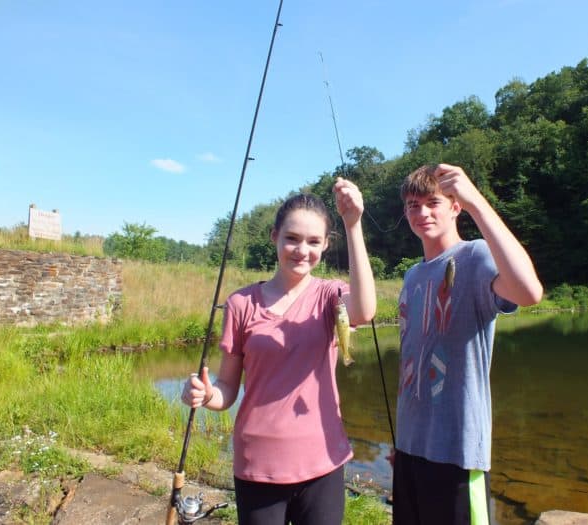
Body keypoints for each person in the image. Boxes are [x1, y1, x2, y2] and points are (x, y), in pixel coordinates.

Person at [181, 178, 376, 525]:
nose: (302, 250)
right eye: (292, 238)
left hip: (323, 459)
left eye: (314, 241)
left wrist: (354, 224)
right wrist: (206, 394)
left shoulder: (330, 296)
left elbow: (364, 311)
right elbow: (226, 390)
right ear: (274, 237)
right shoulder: (240, 303)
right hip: (258, 464)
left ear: (326, 245)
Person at [392, 163, 543, 525]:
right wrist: (403, 444)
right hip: (410, 451)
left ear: (455, 207)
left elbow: (529, 291)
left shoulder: (474, 256)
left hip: (456, 454)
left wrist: (477, 202)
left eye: (433, 202)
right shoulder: (412, 275)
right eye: (413, 205)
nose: (422, 212)